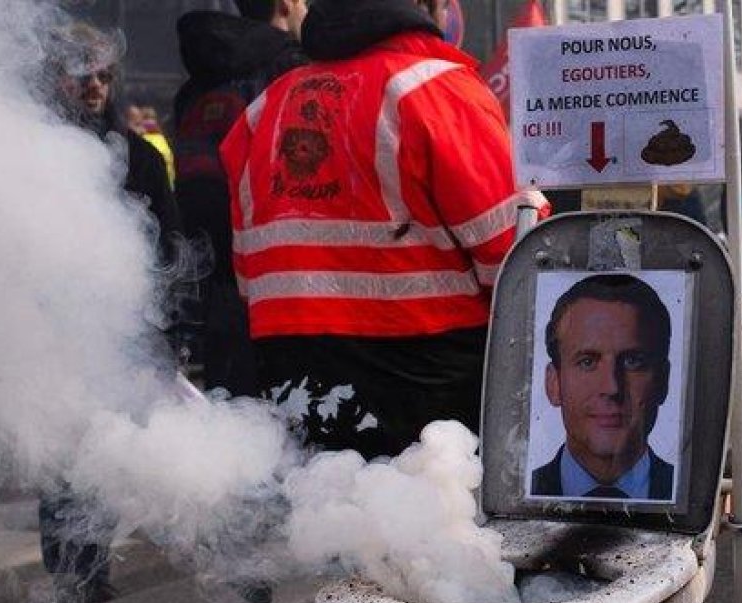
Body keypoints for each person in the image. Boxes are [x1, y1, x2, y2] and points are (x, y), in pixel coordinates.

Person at [220, 0, 548, 459]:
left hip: (291, 371)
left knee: (319, 501)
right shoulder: (437, 90)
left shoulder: (263, 110)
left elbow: (248, 275)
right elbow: (514, 259)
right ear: (427, 8)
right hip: (427, 383)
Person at [42, 23, 181, 603]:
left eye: (104, 75)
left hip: (125, 332)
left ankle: (90, 569)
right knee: (65, 458)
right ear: (56, 78)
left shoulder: (139, 156)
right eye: (82, 74)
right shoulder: (31, 154)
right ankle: (73, 574)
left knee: (112, 454)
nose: (95, 85)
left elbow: (169, 248)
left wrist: (169, 329)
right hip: (56, 336)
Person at [172, 0, 307, 397]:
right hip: (284, 276)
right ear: (286, 4)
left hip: (216, 273)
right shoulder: (290, 71)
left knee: (233, 409)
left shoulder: (198, 82)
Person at [531, 275, 674, 500]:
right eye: (587, 362)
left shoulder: (692, 491)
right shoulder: (519, 490)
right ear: (553, 383)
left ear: (663, 381)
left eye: (632, 362)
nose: (611, 387)